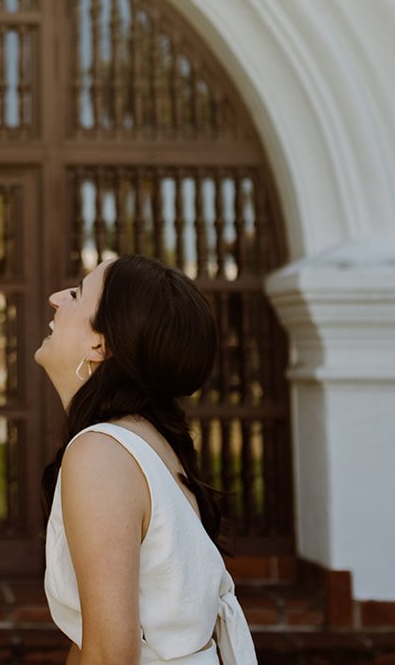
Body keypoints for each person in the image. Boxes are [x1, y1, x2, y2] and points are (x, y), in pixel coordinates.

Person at [37, 254, 258, 665]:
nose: (55, 299)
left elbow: (110, 656)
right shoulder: (146, 442)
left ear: (99, 345)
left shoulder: (101, 453)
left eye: (76, 294)